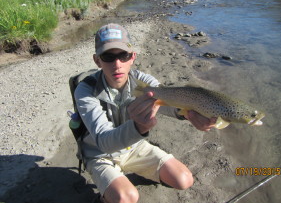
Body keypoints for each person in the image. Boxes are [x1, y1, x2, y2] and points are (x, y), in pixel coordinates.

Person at [74, 23, 216, 203]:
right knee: (127, 197)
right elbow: (103, 141)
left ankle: (126, 179)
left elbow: (168, 104)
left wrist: (190, 114)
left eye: (123, 55)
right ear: (97, 60)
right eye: (108, 57)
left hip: (133, 147)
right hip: (99, 154)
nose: (117, 64)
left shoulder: (144, 82)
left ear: (132, 57)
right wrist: (138, 127)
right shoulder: (85, 89)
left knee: (184, 179)